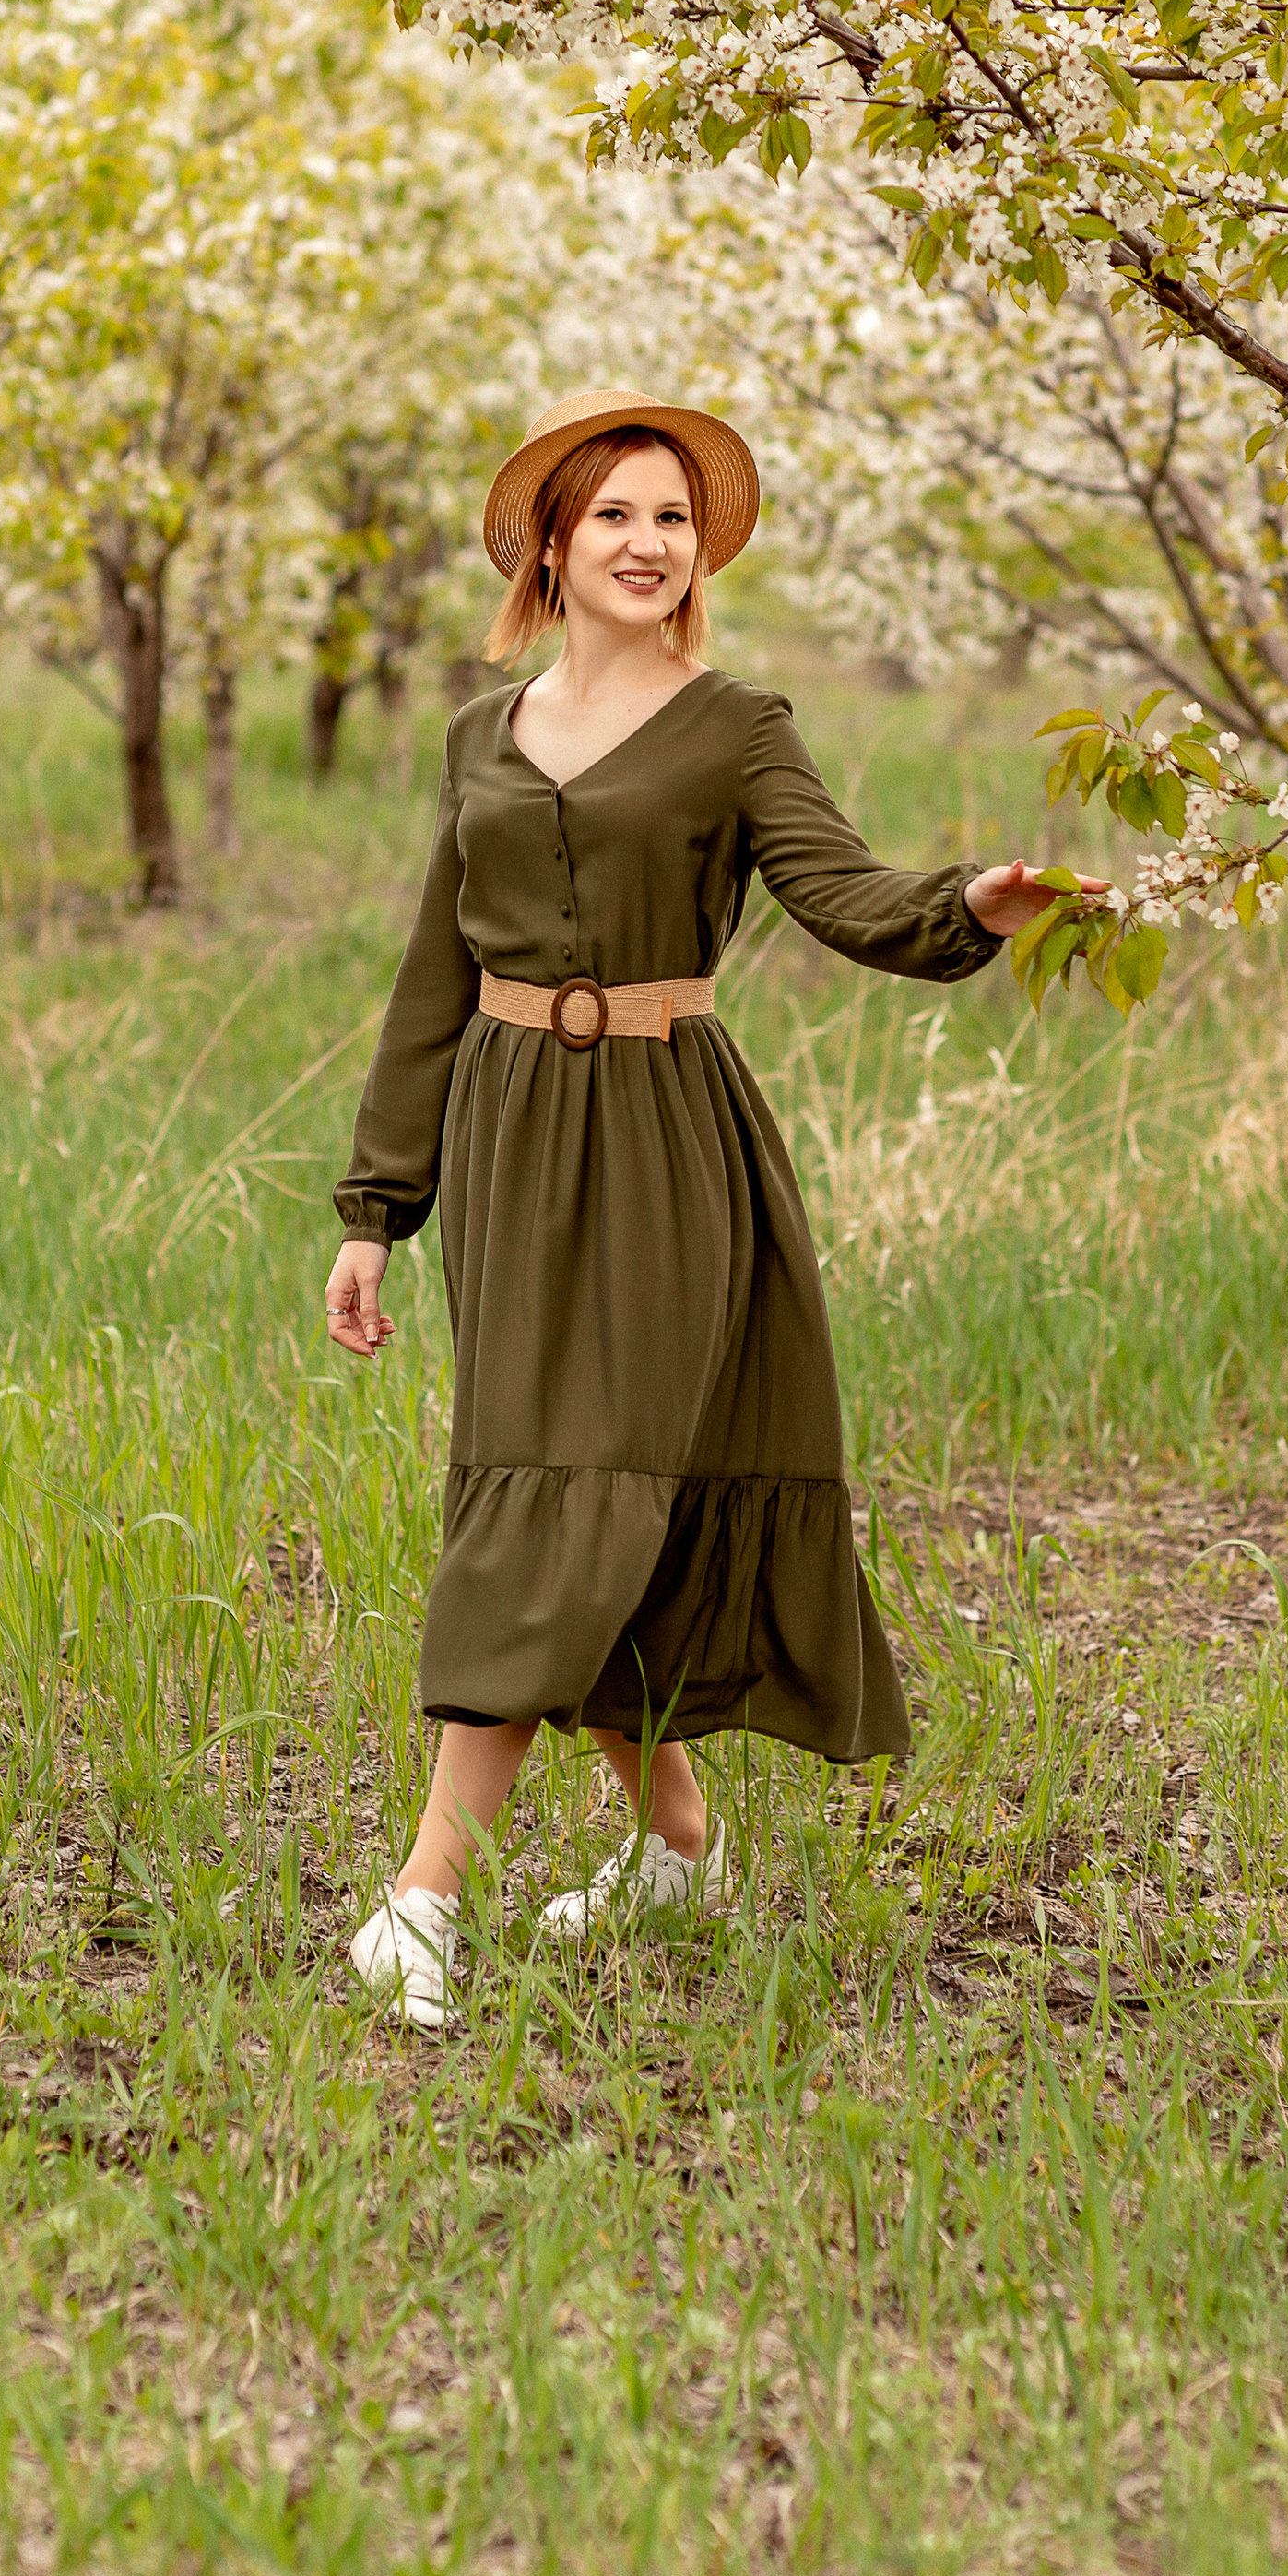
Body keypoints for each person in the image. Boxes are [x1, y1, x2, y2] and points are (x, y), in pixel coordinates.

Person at [323, 387, 1099, 2026]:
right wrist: (376, 1207)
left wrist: (963, 904)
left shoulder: (738, 722)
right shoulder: (485, 734)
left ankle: (419, 1901)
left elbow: (838, 887)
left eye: (672, 518)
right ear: (553, 538)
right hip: (515, 1135)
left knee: (578, 1487)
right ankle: (675, 1846)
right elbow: (430, 978)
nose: (646, 542)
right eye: (614, 513)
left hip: (669, 1144)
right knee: (573, 1482)